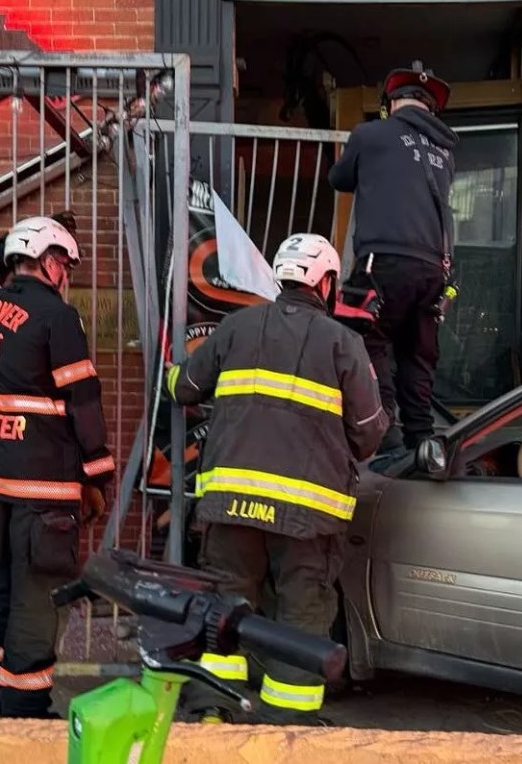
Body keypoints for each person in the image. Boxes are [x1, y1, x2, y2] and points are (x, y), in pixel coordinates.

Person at [166, 232, 387, 724]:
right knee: (302, 614)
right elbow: (370, 433)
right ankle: (289, 727)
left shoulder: (236, 327)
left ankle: (213, 714)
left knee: (225, 607)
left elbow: (183, 387)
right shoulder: (344, 344)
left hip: (231, 506)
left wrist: (168, 374)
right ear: (326, 282)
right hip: (307, 517)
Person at [0, 215, 114, 719]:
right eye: (64, 261)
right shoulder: (57, 317)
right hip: (44, 488)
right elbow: (83, 402)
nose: (67, 273)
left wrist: (19, 237)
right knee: (36, 598)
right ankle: (24, 710)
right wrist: (99, 476)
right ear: (49, 263)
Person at [328, 60, 459, 457]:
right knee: (417, 355)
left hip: (383, 263)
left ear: (391, 104)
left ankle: (384, 439)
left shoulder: (370, 135)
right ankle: (420, 442)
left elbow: (339, 178)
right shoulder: (445, 153)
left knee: (370, 343)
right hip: (435, 271)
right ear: (429, 108)